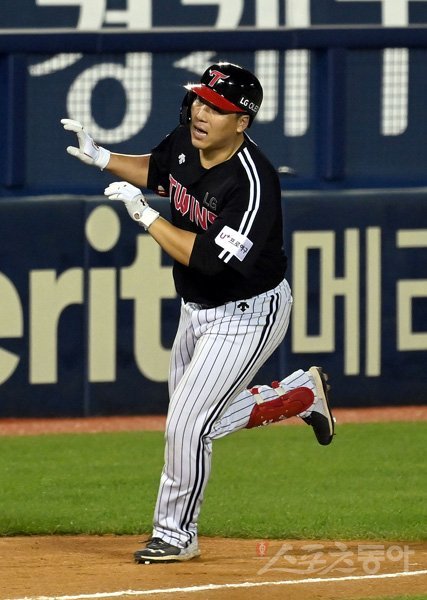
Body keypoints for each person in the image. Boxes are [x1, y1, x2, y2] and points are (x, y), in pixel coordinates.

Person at [61, 62, 335, 564]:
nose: (202, 113)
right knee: (194, 421)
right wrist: (103, 157)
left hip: (248, 313)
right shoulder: (187, 140)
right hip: (197, 308)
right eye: (201, 101)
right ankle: (298, 395)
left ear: (242, 122)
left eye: (218, 108)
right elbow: (158, 170)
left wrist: (144, 215)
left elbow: (209, 259)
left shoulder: (252, 183)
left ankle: (176, 534)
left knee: (187, 426)